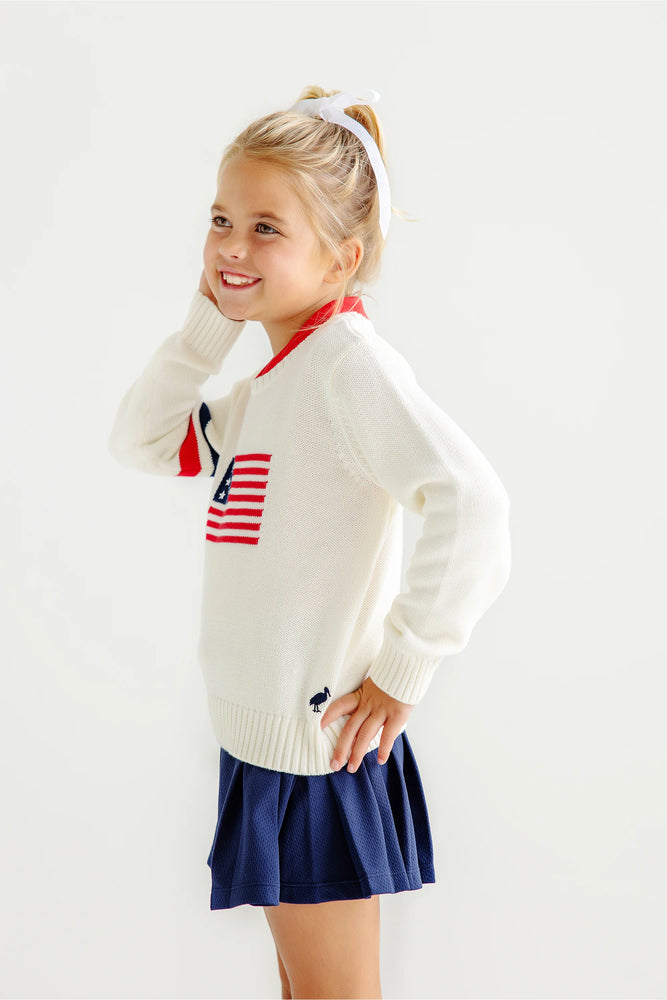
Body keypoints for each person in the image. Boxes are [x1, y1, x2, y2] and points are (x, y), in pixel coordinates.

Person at [107, 86, 512, 1000]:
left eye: (265, 229)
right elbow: (141, 439)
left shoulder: (344, 367)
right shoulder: (273, 388)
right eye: (221, 221)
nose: (231, 247)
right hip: (266, 743)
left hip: (315, 752)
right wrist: (208, 326)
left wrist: (405, 666)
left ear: (343, 259)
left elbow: (472, 502)